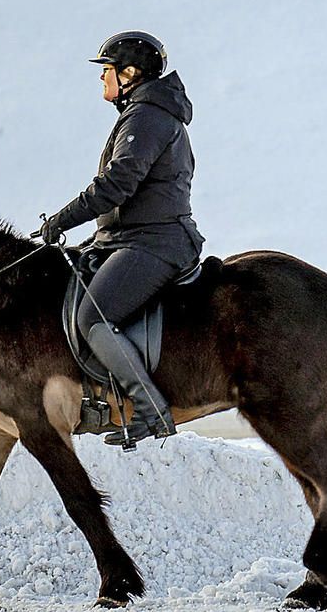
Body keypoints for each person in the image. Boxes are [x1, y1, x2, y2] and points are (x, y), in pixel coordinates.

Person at [36, 30, 204, 447]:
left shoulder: (148, 116)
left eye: (107, 70)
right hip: (127, 237)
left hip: (154, 242)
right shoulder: (142, 112)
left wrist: (63, 219)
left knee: (93, 316)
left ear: (130, 73)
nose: (102, 79)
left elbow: (116, 184)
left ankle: (150, 409)